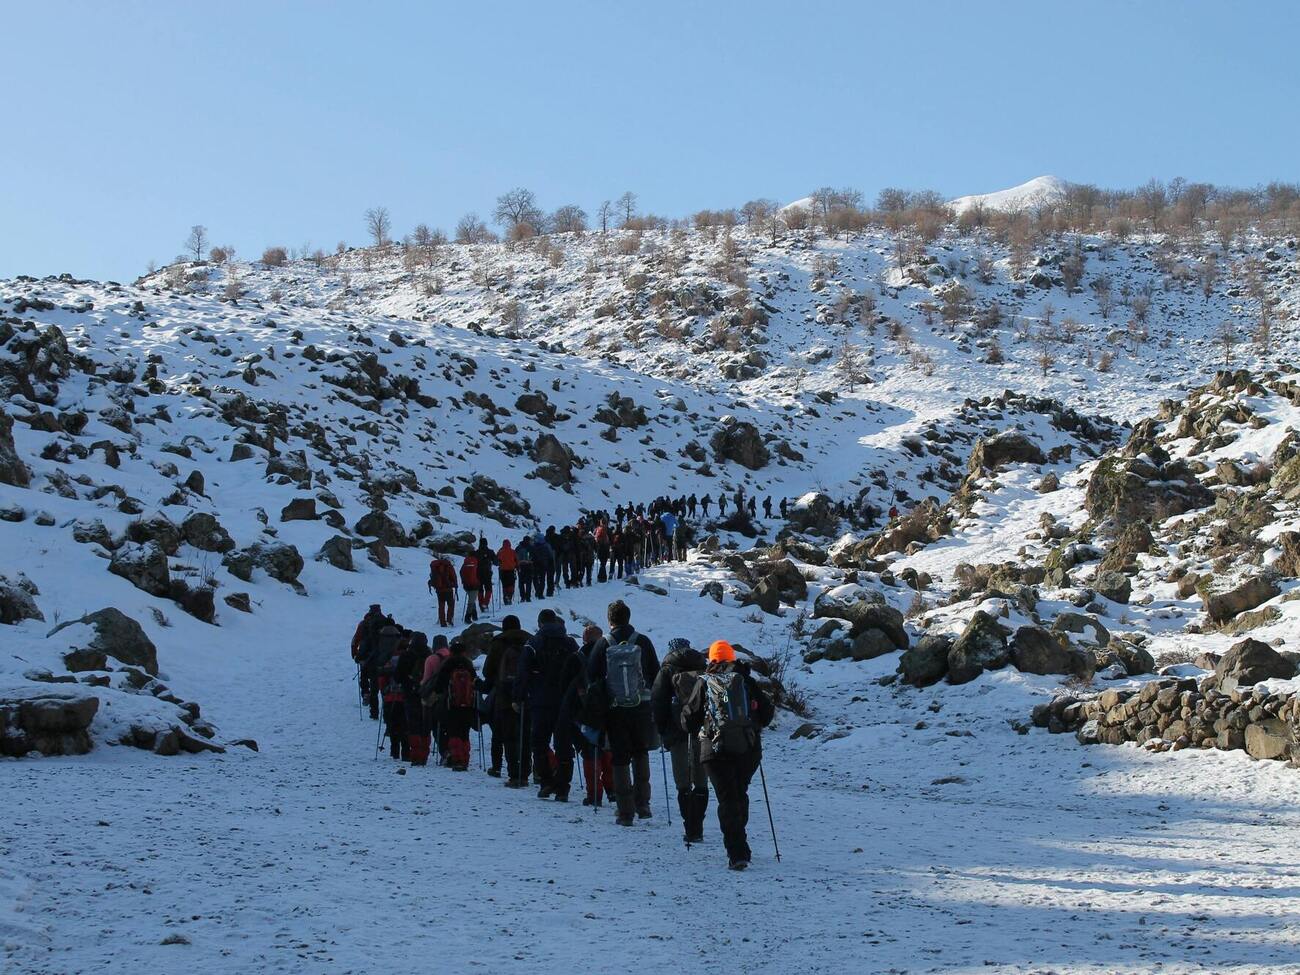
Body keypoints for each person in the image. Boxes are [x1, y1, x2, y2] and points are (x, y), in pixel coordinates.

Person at [679, 640, 775, 871]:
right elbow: (767, 713)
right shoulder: (746, 681)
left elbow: (688, 720)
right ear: (732, 658)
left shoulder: (704, 682)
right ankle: (740, 843)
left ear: (712, 660)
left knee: (727, 799)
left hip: (714, 750)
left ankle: (737, 851)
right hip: (747, 747)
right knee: (739, 793)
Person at [586, 600, 660, 826]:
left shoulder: (603, 643)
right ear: (628, 618)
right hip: (641, 707)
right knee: (640, 752)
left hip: (615, 710)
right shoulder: (643, 641)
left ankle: (625, 811)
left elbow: (592, 676)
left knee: (619, 759)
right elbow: (655, 673)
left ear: (610, 620)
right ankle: (643, 804)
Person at [516, 609, 581, 801]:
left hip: (540, 700)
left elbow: (523, 672)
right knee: (564, 745)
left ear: (540, 623)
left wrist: (518, 697)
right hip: (565, 702)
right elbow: (580, 670)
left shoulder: (533, 643)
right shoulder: (570, 643)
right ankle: (563, 787)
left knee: (539, 743)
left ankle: (546, 782)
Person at [652, 637, 710, 844]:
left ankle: (690, 827)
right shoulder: (704, 668)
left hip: (677, 733)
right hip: (702, 732)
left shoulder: (667, 670)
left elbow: (658, 701)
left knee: (683, 783)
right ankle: (699, 825)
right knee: (701, 782)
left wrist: (661, 730)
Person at [482, 615, 532, 785]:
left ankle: (511, 772)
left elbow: (487, 671)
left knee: (505, 734)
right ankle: (526, 772)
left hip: (504, 695)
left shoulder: (498, 643)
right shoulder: (530, 641)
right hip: (527, 695)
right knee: (525, 735)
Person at [433, 638, 478, 771]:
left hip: (451, 704)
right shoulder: (468, 665)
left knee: (454, 732)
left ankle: (456, 759)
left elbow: (439, 686)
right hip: (468, 705)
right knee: (465, 732)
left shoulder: (448, 664)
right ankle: (465, 759)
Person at [396, 631, 431, 765]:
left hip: (410, 694)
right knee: (426, 725)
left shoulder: (406, 655)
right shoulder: (429, 655)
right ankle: (424, 753)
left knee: (413, 725)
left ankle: (415, 755)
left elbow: (398, 676)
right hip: (427, 694)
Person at [378, 630, 411, 761]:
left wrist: (385, 690)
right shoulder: (409, 660)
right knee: (405, 726)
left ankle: (394, 750)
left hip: (391, 698)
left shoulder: (390, 661)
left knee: (393, 725)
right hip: (406, 698)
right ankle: (406, 752)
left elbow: (382, 680)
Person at [419, 635, 452, 763]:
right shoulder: (453, 657)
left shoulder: (432, 659)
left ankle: (445, 752)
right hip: (453, 696)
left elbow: (426, 679)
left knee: (436, 725)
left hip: (436, 698)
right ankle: (455, 751)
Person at [362, 614, 401, 721]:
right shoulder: (398, 635)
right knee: (388, 691)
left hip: (376, 665)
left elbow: (365, 648)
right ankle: (387, 715)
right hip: (393, 666)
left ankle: (374, 713)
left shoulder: (376, 635)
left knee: (374, 690)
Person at [350, 604, 386, 718]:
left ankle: (366, 694)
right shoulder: (385, 622)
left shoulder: (364, 623)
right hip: (382, 656)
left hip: (366, 656)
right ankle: (386, 709)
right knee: (379, 682)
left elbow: (356, 639)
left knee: (364, 675)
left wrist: (355, 653)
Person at [428, 555, 458, 628]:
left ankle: (442, 622)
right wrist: (455, 585)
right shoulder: (449, 566)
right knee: (451, 605)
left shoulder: (435, 567)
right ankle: (449, 620)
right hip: (448, 589)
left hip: (439, 589)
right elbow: (454, 576)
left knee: (441, 606)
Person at [476, 537, 496, 613]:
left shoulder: (476, 552)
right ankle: (485, 603)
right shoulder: (490, 552)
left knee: (480, 589)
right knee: (488, 589)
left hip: (477, 573)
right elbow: (496, 562)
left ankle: (481, 604)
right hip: (487, 573)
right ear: (486, 543)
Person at [460, 552, 480, 624]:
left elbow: (461, 572)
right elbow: (479, 573)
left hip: (466, 585)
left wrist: (464, 581)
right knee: (471, 601)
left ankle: (474, 615)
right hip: (474, 585)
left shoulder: (465, 563)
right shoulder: (476, 562)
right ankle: (467, 617)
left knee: (472, 598)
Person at [498, 539, 518, 606]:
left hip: (502, 571)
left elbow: (497, 560)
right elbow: (516, 560)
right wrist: (517, 566)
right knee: (511, 585)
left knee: (504, 585)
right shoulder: (513, 552)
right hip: (511, 570)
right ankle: (509, 596)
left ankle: (505, 597)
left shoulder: (500, 552)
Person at [516, 536, 535, 603]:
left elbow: (515, 557)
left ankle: (522, 597)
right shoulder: (531, 548)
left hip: (520, 566)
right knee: (528, 582)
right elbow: (534, 557)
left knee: (521, 582)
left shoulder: (518, 548)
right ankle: (528, 597)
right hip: (529, 566)